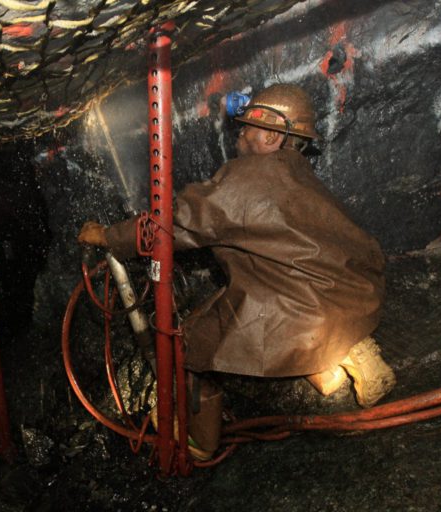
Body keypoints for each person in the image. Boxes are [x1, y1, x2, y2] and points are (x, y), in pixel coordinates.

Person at [77, 84, 396, 416]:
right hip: (358, 294)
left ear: (272, 137)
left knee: (187, 345)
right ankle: (340, 353)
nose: (240, 134)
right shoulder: (300, 171)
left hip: (305, 307)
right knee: (260, 302)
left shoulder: (247, 176)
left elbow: (177, 225)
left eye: (248, 128)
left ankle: (195, 436)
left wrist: (109, 236)